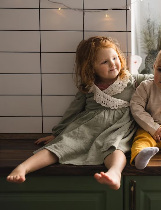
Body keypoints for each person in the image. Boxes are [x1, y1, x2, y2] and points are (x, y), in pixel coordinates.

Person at [6, 36, 152, 190]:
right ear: (91, 67)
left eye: (115, 58)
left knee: (115, 147)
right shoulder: (89, 87)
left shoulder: (132, 80)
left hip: (119, 127)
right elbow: (72, 111)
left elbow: (156, 79)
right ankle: (24, 167)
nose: (113, 64)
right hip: (89, 126)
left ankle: (114, 174)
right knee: (63, 144)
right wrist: (57, 133)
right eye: (104, 62)